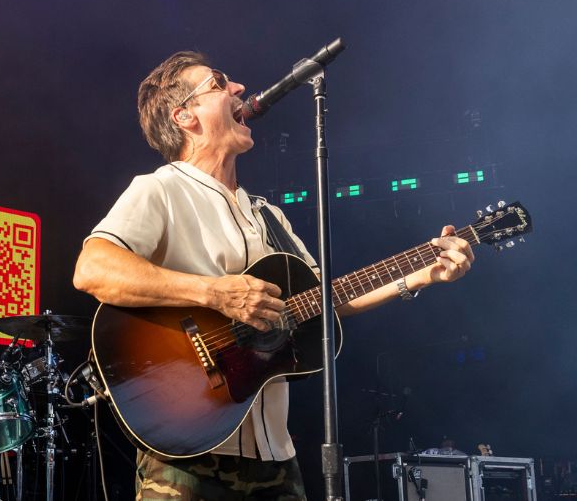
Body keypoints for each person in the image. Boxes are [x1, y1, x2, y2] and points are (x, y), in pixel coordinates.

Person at [72, 51, 476, 500]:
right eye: (219, 82)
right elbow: (93, 269)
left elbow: (326, 299)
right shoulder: (160, 188)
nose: (238, 88)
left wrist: (420, 275)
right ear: (183, 116)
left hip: (274, 455)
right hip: (185, 448)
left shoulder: (270, 217)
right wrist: (212, 293)